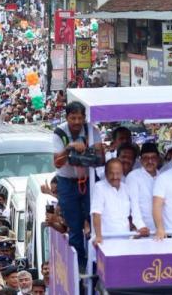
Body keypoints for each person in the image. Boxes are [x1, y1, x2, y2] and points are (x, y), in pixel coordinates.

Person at [51, 101, 93, 269]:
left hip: (88, 182)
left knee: (93, 219)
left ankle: (94, 260)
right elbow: (58, 163)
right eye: (73, 118)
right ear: (67, 117)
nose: (77, 122)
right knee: (74, 225)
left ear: (84, 118)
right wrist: (69, 148)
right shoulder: (59, 133)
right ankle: (80, 265)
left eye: (80, 118)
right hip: (67, 183)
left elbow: (98, 154)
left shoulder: (90, 130)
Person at [91, 158, 147, 243]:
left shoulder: (126, 188)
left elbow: (134, 210)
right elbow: (96, 213)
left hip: (124, 240)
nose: (115, 177)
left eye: (118, 173)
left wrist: (140, 227)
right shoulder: (99, 187)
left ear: (122, 173)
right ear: (106, 174)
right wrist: (99, 236)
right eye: (111, 173)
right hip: (105, 240)